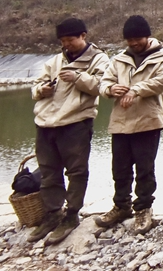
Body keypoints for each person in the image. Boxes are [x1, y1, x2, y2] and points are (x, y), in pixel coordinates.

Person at [28, 18, 110, 245]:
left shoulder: (98, 59)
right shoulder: (55, 61)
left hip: (75, 122)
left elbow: (102, 86)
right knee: (48, 171)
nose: (66, 44)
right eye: (63, 41)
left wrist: (77, 77)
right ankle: (53, 213)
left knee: (76, 171)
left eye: (70, 40)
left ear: (83, 36)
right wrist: (40, 90)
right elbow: (36, 85)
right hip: (46, 122)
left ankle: (71, 214)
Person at [96, 15, 163, 234]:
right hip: (120, 121)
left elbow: (161, 82)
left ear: (147, 36)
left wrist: (135, 90)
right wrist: (110, 90)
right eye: (129, 40)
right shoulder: (119, 59)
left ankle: (143, 208)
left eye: (137, 38)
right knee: (119, 169)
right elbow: (104, 82)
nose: (133, 43)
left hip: (147, 121)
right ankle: (121, 206)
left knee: (144, 169)